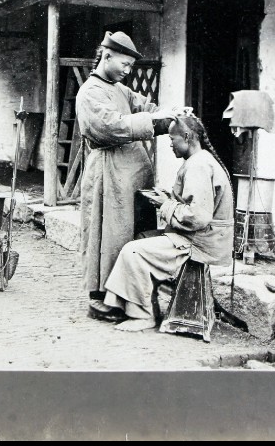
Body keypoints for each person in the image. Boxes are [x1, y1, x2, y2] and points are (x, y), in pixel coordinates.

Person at [94, 113, 235, 331]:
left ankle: (143, 316)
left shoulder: (198, 165)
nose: (170, 145)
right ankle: (142, 305)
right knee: (141, 238)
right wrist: (167, 198)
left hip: (199, 243)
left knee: (133, 251)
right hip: (198, 237)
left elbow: (198, 217)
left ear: (186, 136)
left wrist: (165, 204)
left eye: (172, 139)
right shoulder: (199, 160)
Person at [75, 31, 176, 318]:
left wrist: (171, 115)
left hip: (133, 176)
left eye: (131, 66)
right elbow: (109, 126)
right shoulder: (90, 92)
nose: (128, 71)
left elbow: (146, 109)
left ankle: (131, 295)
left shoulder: (120, 89)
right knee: (108, 234)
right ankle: (100, 298)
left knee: (133, 233)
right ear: (107, 56)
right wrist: (151, 119)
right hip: (109, 174)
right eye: (125, 64)